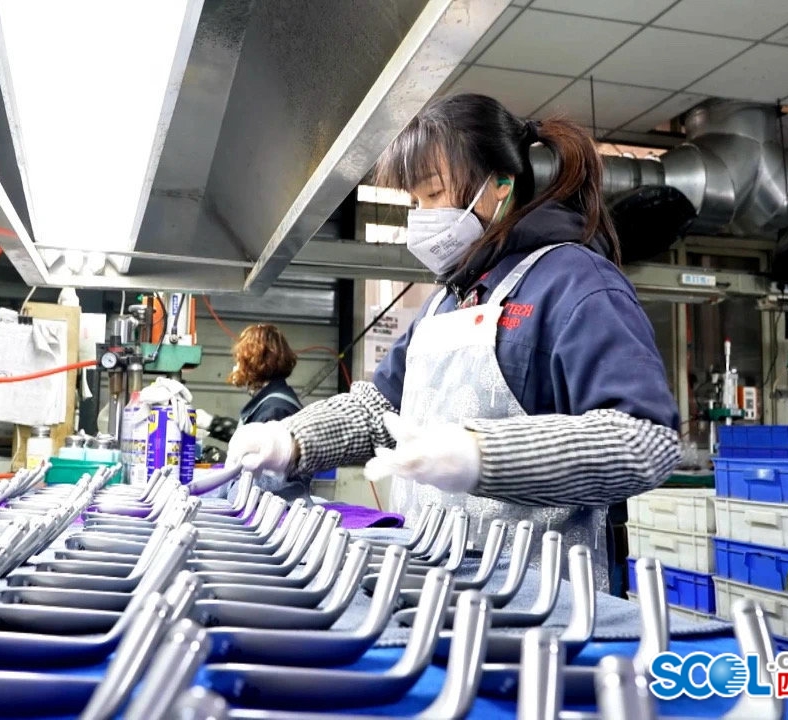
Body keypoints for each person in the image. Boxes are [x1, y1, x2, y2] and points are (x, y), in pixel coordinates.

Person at [226, 93, 680, 592]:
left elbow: (644, 440)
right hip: (432, 591)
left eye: (434, 193)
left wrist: (482, 455)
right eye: (415, 200)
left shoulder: (576, 284)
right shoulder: (447, 301)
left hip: (541, 607)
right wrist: (290, 439)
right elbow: (379, 411)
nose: (422, 215)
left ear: (501, 184)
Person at [224, 324, 311, 502]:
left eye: (240, 360)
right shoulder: (272, 401)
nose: (236, 367)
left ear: (253, 362)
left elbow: (265, 485)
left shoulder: (275, 409)